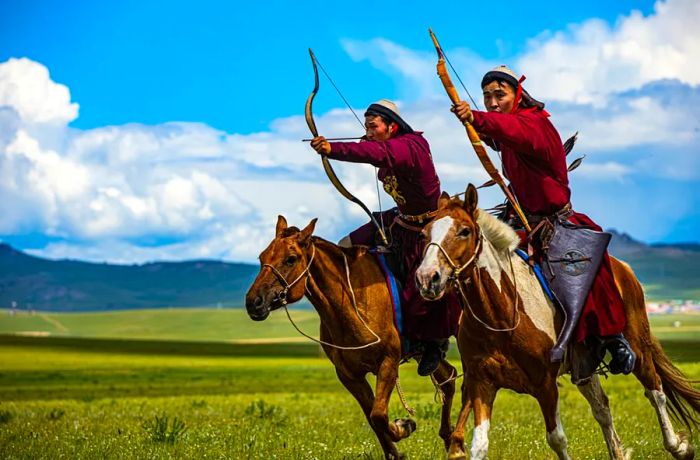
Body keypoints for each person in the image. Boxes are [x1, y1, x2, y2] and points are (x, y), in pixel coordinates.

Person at [451, 65, 636, 375]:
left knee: (587, 268)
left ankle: (614, 339)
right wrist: (478, 126)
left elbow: (515, 132)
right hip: (522, 221)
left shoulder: (536, 125)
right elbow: (501, 138)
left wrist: (477, 118)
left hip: (557, 222)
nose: (493, 102)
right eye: (486, 97)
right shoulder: (510, 127)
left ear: (517, 94)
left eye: (500, 95)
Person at [310, 99, 461, 376]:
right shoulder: (387, 145)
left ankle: (432, 345)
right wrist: (358, 144)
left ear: (392, 126)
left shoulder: (411, 146)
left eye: (373, 126)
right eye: (366, 127)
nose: (368, 131)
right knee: (346, 246)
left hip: (426, 226)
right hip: (398, 219)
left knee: (419, 291)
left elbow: (381, 153)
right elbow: (375, 150)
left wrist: (333, 149)